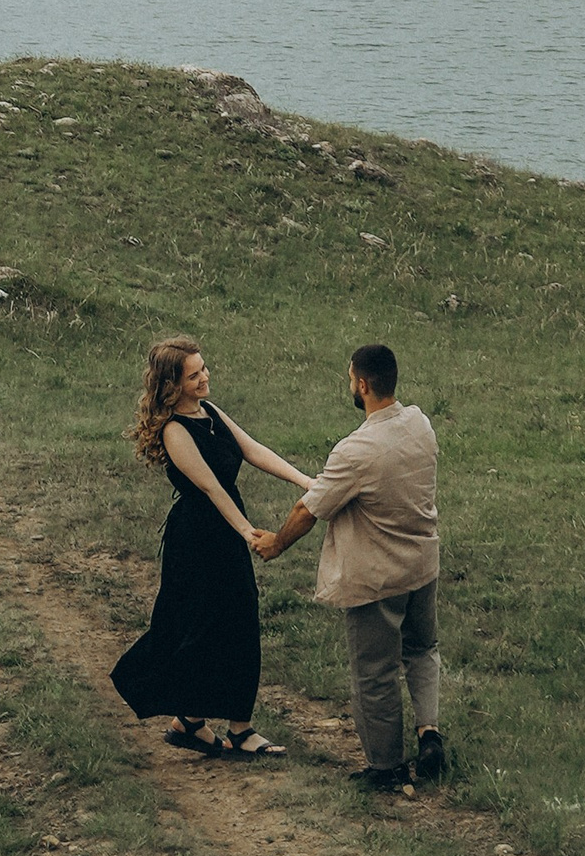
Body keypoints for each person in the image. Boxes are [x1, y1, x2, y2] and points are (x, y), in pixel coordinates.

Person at [254, 339, 442, 790]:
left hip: (377, 578)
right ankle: (429, 730)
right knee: (421, 651)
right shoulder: (420, 424)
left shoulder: (356, 450)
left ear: (361, 384)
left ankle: (386, 766)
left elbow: (307, 511)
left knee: (374, 673)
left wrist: (276, 544)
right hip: (423, 564)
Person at [111, 333, 310, 758]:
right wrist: (246, 531)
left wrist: (307, 482)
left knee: (235, 618)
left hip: (223, 530)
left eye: (204, 368)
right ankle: (216, 725)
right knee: (199, 624)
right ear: (173, 385)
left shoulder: (211, 413)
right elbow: (211, 488)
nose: (204, 377)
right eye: (194, 374)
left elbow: (253, 450)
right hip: (198, 538)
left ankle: (203, 723)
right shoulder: (174, 431)